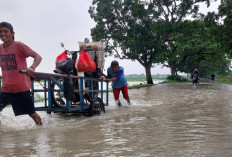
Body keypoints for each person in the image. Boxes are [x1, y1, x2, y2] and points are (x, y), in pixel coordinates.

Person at [0, 22, 42, 125]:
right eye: (0, 32)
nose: (3, 34)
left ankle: (40, 130)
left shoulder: (18, 45)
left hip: (21, 88)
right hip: (6, 88)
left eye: (6, 31)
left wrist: (32, 67)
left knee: (32, 114)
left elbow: (38, 57)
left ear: (12, 33)